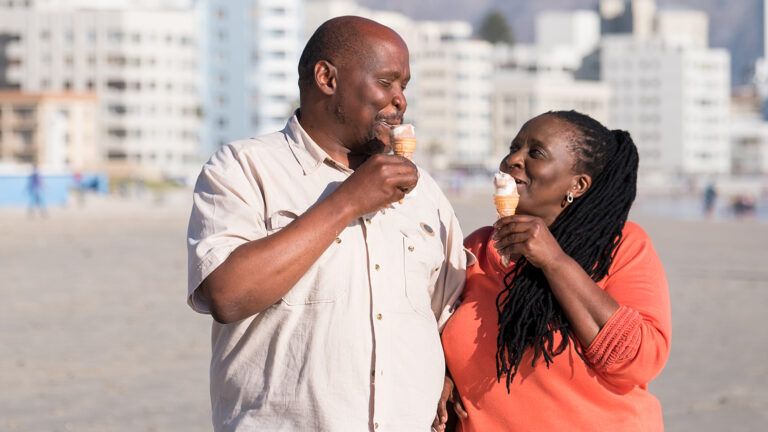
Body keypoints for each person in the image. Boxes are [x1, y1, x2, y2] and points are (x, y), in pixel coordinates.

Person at [186, 16, 466, 431]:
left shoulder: (424, 193)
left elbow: (450, 317)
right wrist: (348, 201)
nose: (400, 100)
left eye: (403, 87)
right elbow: (228, 296)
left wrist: (447, 373)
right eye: (386, 83)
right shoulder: (245, 168)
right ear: (327, 78)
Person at [435, 111, 671, 431]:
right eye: (514, 147)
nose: (513, 160)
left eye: (536, 153)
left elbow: (638, 361)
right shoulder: (475, 249)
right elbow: (433, 333)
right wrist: (443, 376)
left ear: (578, 184)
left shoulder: (621, 245)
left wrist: (554, 261)